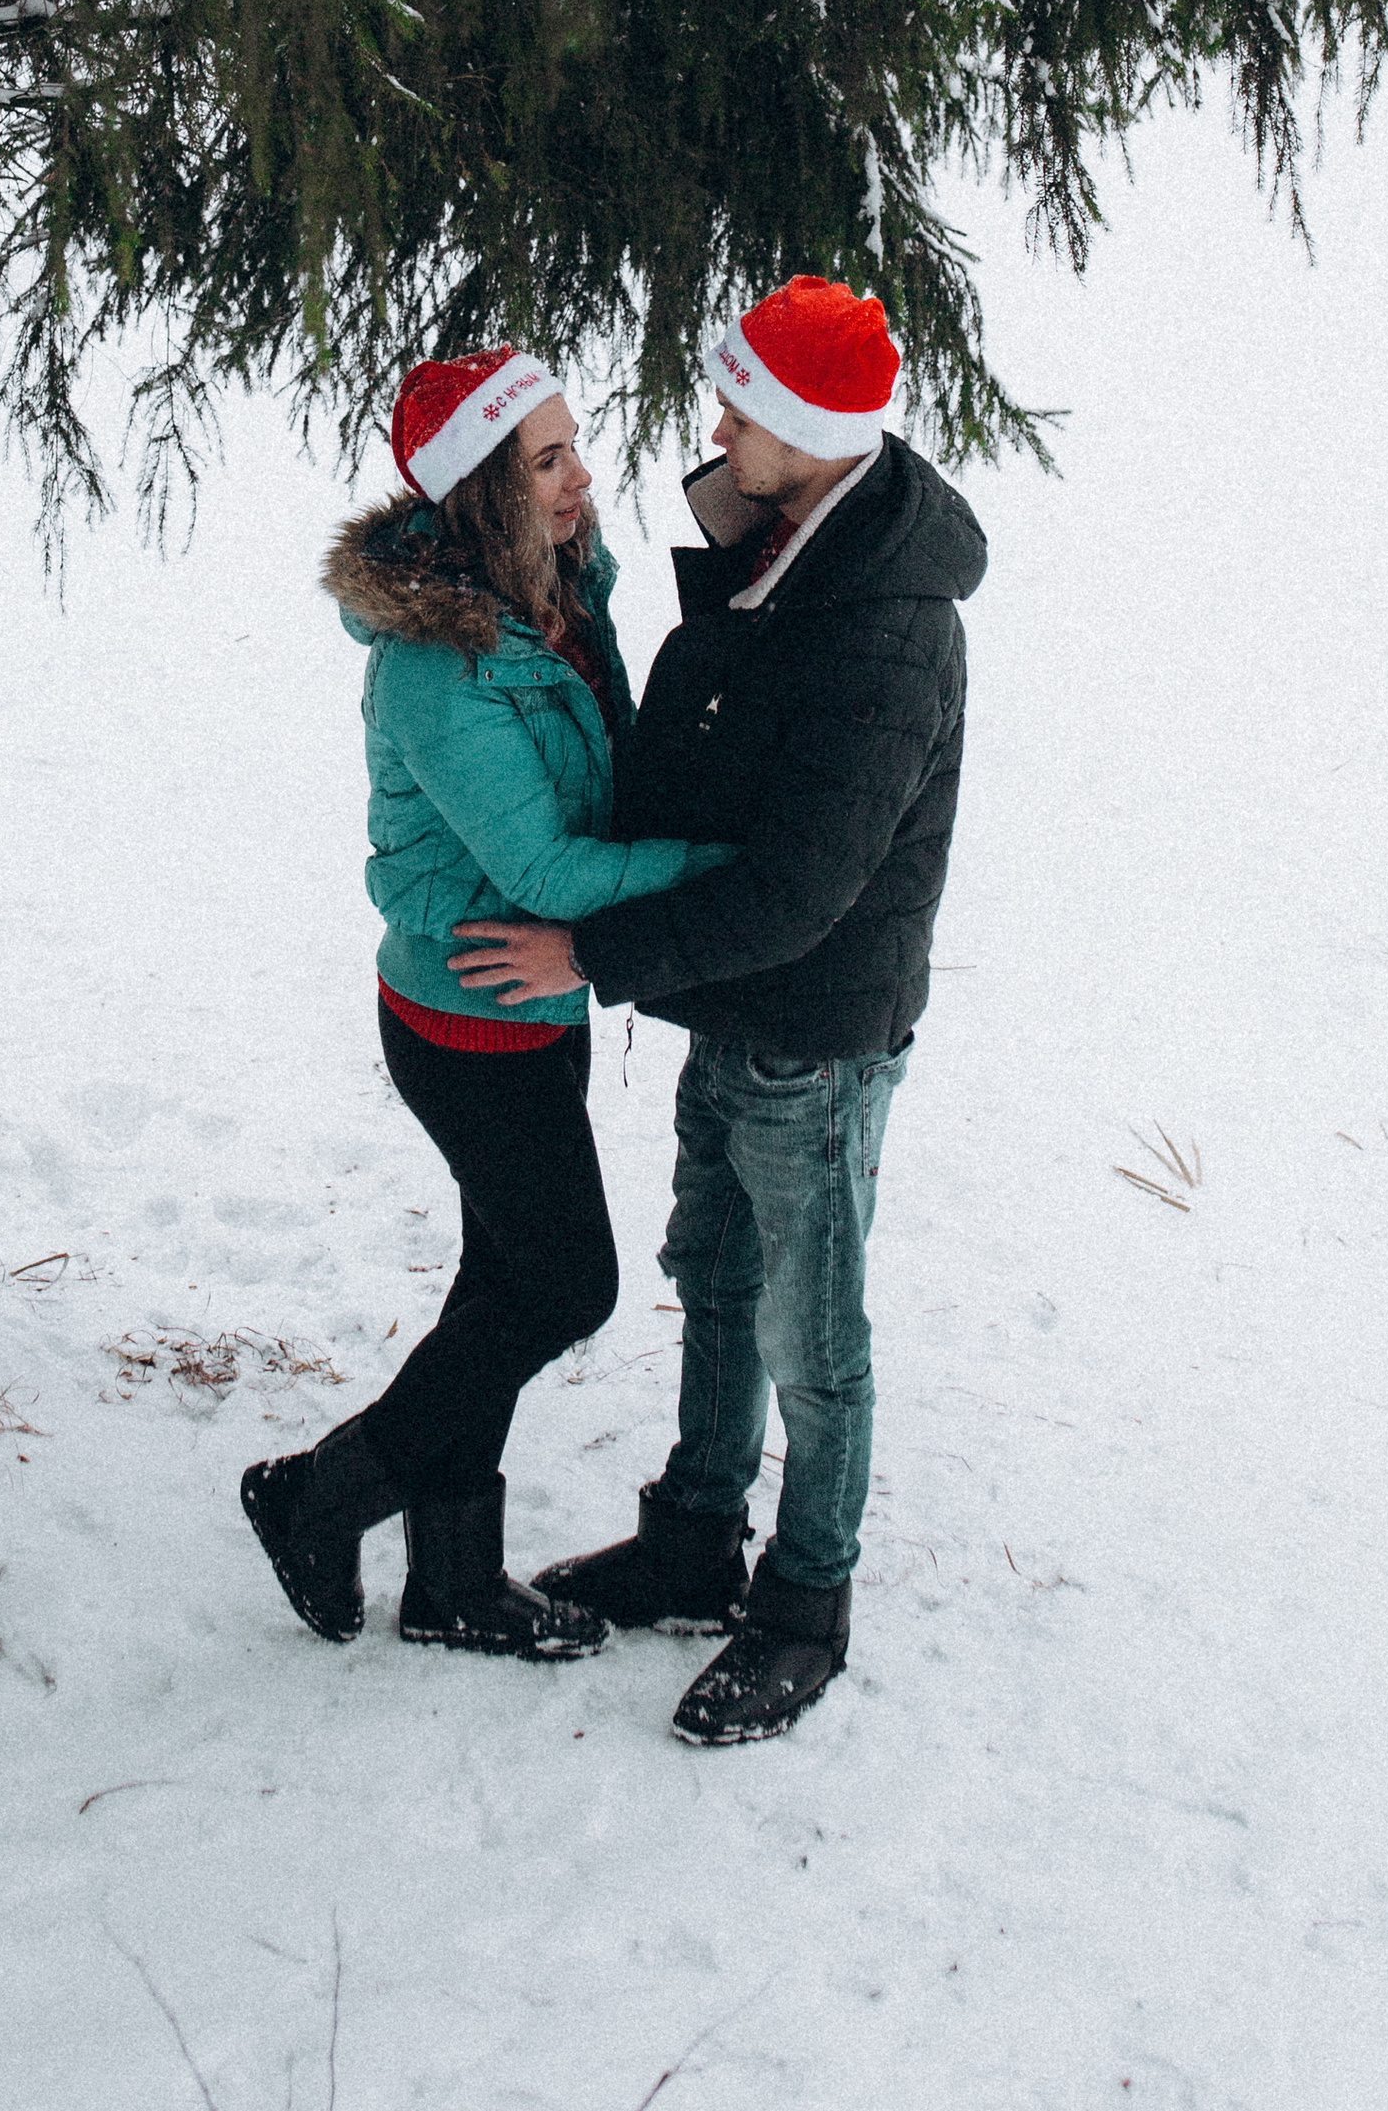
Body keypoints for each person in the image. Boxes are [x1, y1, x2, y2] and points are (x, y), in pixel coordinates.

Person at [454, 275, 986, 1746]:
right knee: (720, 1276)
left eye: (743, 406)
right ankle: (694, 1534)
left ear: (809, 432)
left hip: (812, 1028)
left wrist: (594, 951)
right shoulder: (790, 540)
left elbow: (801, 887)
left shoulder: (886, 627)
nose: (716, 423)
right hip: (732, 1006)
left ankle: (805, 1599)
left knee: (814, 1331)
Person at [240, 345, 737, 1662]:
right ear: (481, 492)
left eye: (575, 445)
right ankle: (318, 1494)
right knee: (565, 1285)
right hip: (468, 1022)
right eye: (549, 459)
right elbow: (546, 868)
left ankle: (455, 1578)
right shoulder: (438, 664)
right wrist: (732, 866)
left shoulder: (560, 591)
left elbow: (601, 780)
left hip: (536, 1005)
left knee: (498, 1284)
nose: (586, 476)